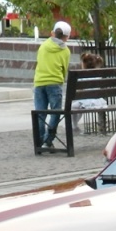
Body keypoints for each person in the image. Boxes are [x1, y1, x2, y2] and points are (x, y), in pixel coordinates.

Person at [33, 20, 72, 154]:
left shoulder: (43, 46)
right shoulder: (65, 51)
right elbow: (64, 70)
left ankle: (39, 142)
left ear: (52, 33)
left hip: (39, 83)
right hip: (54, 84)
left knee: (40, 113)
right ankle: (48, 141)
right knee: (56, 111)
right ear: (67, 37)